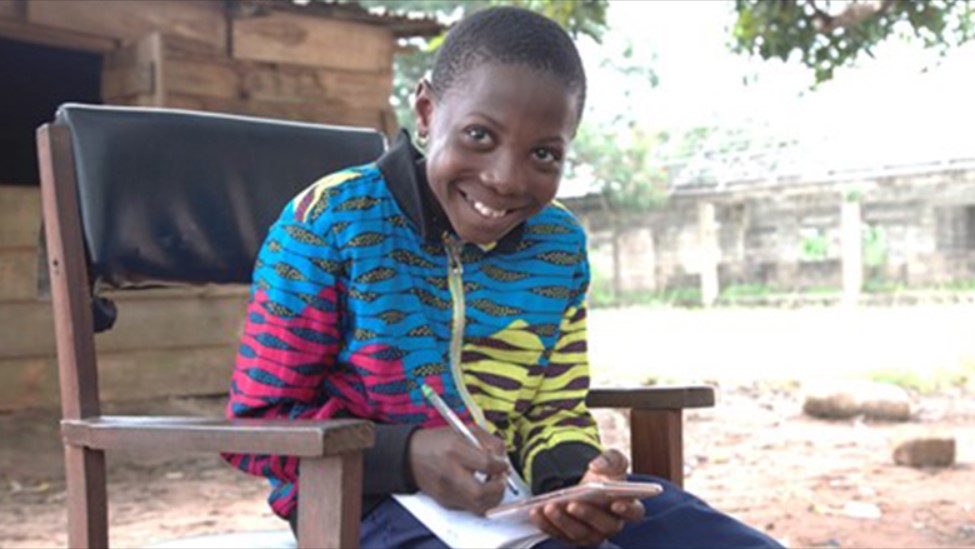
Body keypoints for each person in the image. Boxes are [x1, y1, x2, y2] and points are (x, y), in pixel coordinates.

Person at [224, 6, 782, 548]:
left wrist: (573, 485)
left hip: (518, 497)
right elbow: (256, 425)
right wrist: (408, 456)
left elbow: (551, 406)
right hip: (367, 504)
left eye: (543, 154)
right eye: (480, 136)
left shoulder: (556, 245)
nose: (506, 179)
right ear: (425, 112)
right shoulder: (330, 221)